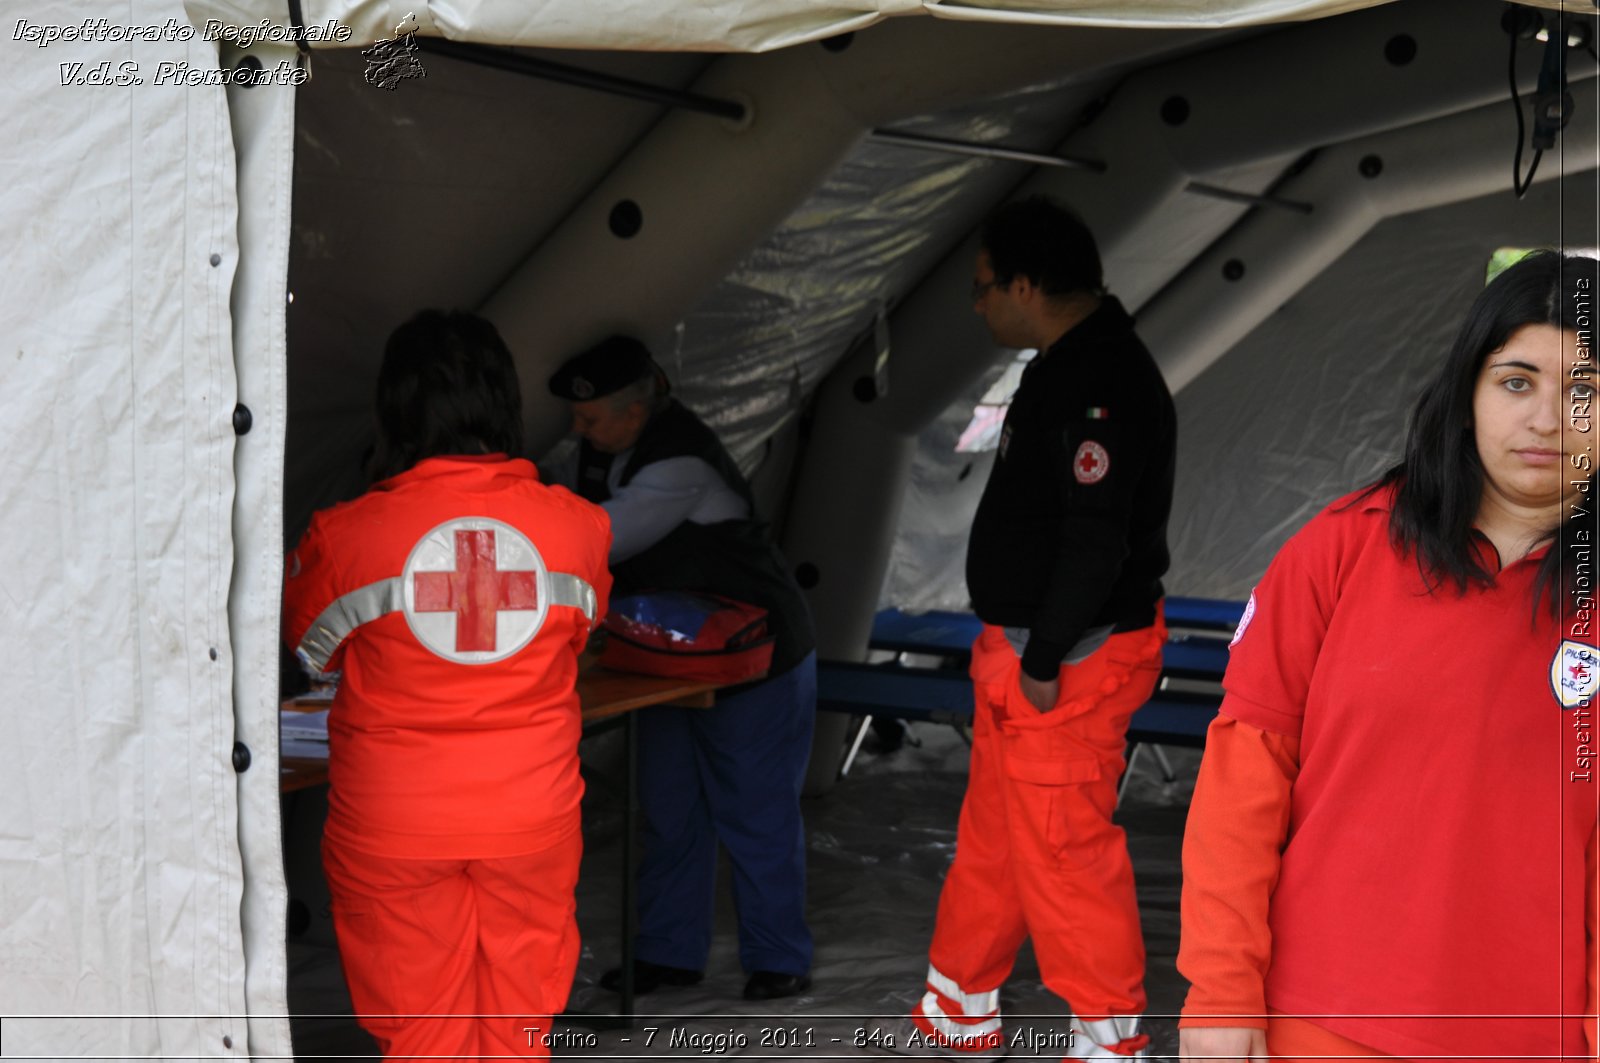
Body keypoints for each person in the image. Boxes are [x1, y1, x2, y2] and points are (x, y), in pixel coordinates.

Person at [1177, 250, 1599, 1062]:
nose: (1550, 419)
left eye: (1585, 389)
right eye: (1517, 381)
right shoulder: (1339, 550)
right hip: (1319, 1023)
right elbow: (1243, 786)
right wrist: (1221, 996)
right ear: (1466, 393)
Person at [888, 196, 1177, 1060]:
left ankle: (1106, 1040)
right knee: (998, 833)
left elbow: (1096, 538)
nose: (977, 306)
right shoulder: (1061, 364)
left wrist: (1046, 654)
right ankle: (958, 1005)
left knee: (1061, 847)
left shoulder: (1103, 378)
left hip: (1069, 656)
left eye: (982, 288)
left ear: (1023, 283)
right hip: (1020, 650)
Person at [282, 311, 612, 1059]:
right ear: (505, 403)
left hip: (395, 821)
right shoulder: (581, 528)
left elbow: (312, 652)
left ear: (392, 411)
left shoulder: (343, 536)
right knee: (520, 1030)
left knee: (420, 1033)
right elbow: (578, 636)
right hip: (532, 814)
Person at [548, 335, 818, 1001]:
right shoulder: (605, 448)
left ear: (636, 412)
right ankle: (669, 951)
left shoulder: (679, 461)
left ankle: (778, 955)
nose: (577, 431)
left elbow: (597, 537)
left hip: (756, 657)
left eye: (589, 419)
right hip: (668, 657)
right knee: (669, 808)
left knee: (756, 812)